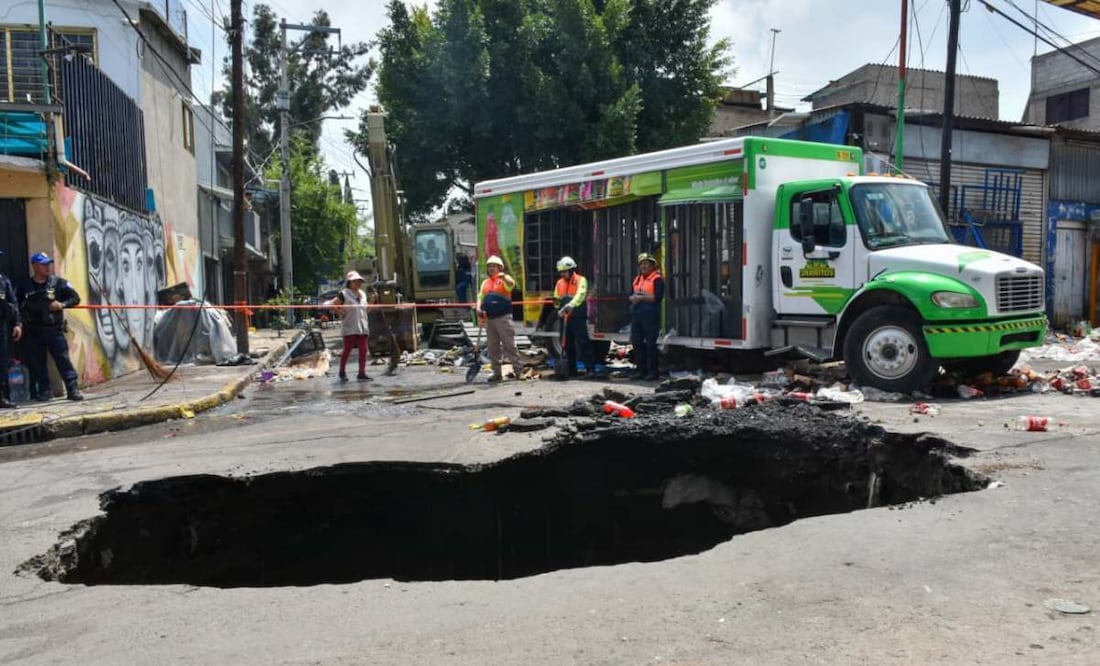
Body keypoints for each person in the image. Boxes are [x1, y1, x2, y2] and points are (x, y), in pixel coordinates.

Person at [19, 252, 83, 401]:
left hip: (53, 329)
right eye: (43, 264)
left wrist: (62, 304)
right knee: (37, 362)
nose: (47, 267)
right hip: (34, 330)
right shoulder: (25, 286)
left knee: (63, 360)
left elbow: (75, 298)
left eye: (48, 264)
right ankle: (44, 391)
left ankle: (72, 389)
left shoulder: (58, 283)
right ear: (35, 266)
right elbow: (16, 303)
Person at [476, 255, 523, 383]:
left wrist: (504, 277)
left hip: (503, 318)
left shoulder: (504, 280)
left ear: (499, 268)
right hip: (490, 319)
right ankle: (497, 373)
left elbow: (511, 284)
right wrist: (478, 307)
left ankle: (519, 371)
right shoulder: (485, 283)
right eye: (489, 266)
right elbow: (480, 296)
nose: (491, 268)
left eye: (493, 266)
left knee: (509, 345)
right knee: (493, 347)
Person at [553, 255, 595, 379]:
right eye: (561, 272)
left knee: (583, 342)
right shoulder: (559, 283)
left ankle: (590, 369)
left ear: (571, 270)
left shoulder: (581, 280)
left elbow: (580, 295)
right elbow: (556, 298)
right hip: (565, 317)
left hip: (577, 316)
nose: (563, 274)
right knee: (567, 344)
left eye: (565, 272)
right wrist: (558, 308)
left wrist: (571, 305)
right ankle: (571, 370)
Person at [327, 271, 371, 382]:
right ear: (350, 282)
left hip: (362, 326)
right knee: (347, 350)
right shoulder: (344, 294)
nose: (358, 283)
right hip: (350, 326)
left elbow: (365, 310)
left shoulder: (363, 294)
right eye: (355, 281)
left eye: (359, 281)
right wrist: (340, 313)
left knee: (363, 350)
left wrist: (373, 302)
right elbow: (333, 305)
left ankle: (362, 372)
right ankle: (342, 372)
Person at [629, 252, 664, 381]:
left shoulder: (657, 278)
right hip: (637, 315)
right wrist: (632, 298)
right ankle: (640, 371)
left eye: (646, 264)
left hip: (650, 315)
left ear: (652, 265)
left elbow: (658, 297)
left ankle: (653, 372)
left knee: (650, 344)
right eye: (642, 264)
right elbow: (631, 294)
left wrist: (641, 298)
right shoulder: (637, 279)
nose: (643, 266)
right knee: (637, 343)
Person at [0, 254, 23, 408]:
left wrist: (18, 323)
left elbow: (13, 302)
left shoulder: (3, 280)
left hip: (1, 326)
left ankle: (1, 397)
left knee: (1, 361)